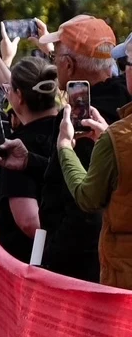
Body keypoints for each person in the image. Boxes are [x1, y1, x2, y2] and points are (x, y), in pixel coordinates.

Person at [37, 15, 128, 281]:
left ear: (68, 64)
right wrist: (30, 160)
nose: (54, 62)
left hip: (81, 271)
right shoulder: (125, 106)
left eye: (56, 57)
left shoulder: (76, 118)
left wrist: (55, 257)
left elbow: (85, 203)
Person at [54, 58, 132, 288]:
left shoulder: (119, 136)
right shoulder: (116, 137)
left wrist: (65, 147)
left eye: (126, 62)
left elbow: (88, 198)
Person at [0, 58, 59, 265]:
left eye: (9, 90)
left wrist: (61, 251)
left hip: (32, 268)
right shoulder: (70, 132)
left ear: (18, 97)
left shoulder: (16, 149)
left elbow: (29, 222)